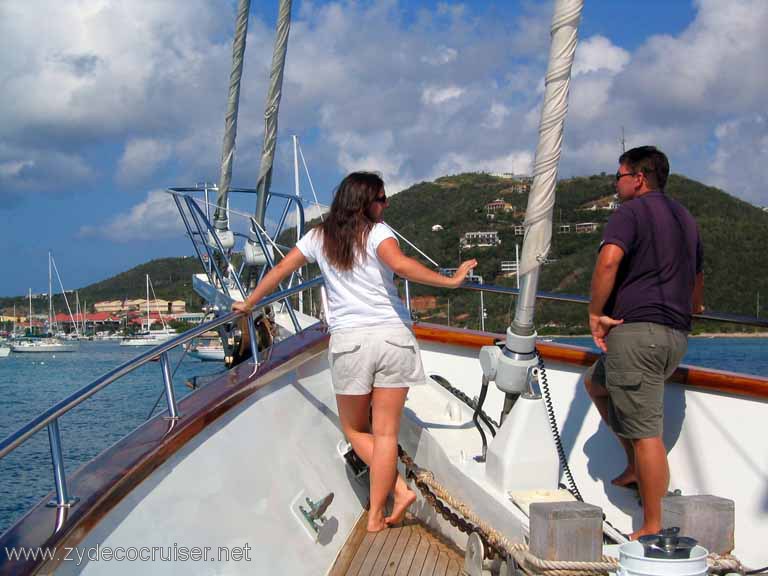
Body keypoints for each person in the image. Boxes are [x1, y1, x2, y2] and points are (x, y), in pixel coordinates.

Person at [233, 171, 477, 532]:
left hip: (351, 343)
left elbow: (283, 269)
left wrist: (251, 302)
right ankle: (380, 512)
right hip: (394, 337)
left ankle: (394, 495)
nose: (386, 204)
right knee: (386, 433)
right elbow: (400, 266)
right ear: (363, 202)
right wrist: (450, 280)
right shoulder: (379, 233)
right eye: (381, 198)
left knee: (353, 428)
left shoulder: (319, 237)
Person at [584, 146, 704, 539]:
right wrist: (692, 304)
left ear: (638, 178)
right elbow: (697, 283)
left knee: (646, 434)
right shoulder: (686, 218)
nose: (615, 184)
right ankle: (635, 463)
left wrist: (595, 313)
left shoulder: (630, 213)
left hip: (639, 335)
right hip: (674, 335)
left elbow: (608, 261)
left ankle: (652, 526)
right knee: (595, 383)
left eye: (618, 176)